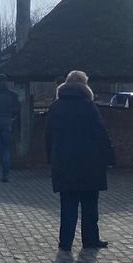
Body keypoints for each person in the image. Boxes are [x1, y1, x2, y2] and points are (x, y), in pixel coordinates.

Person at [46, 71, 115, 251]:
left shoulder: (56, 107)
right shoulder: (89, 106)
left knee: (67, 205)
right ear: (85, 85)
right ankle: (90, 240)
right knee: (90, 205)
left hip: (63, 162)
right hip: (90, 163)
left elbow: (48, 136)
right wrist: (110, 156)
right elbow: (100, 133)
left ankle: (65, 242)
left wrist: (50, 159)